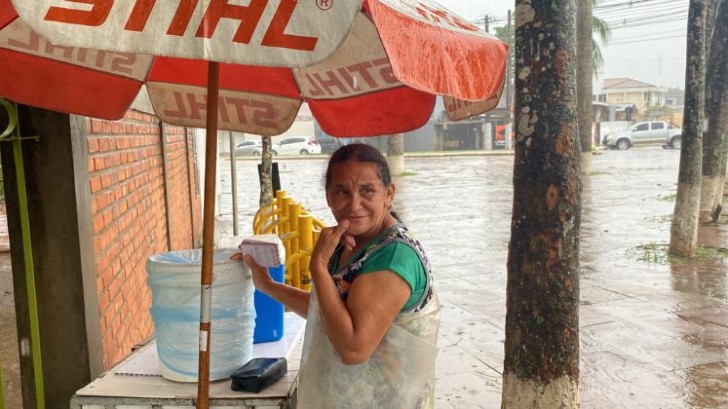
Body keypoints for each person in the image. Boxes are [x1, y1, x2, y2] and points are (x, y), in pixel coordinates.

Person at [237, 143, 441, 408]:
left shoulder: (393, 257)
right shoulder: (348, 242)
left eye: (367, 190)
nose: (354, 204)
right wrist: (268, 286)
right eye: (342, 191)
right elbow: (326, 308)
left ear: (388, 194)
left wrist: (318, 268)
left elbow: (354, 348)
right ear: (328, 196)